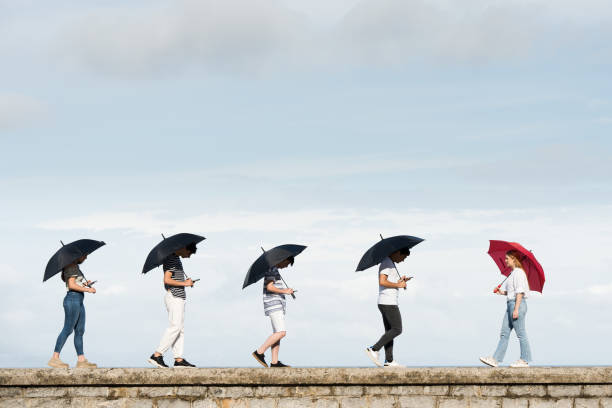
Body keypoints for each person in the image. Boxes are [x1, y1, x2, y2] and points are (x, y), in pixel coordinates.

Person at [148, 242, 197, 368]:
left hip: (178, 296)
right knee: (175, 327)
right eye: (189, 253)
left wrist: (186, 282)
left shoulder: (176, 259)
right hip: (174, 296)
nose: (189, 256)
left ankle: (178, 359)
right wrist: (185, 283)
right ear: (184, 248)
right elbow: (167, 280)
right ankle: (157, 355)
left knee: (180, 329)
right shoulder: (171, 259)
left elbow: (174, 279)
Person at [480, 250, 533, 368]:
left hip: (516, 304)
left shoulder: (519, 273)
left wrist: (516, 309)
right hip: (510, 304)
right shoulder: (513, 273)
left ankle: (525, 359)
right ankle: (495, 359)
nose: (505, 261)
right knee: (504, 333)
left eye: (507, 258)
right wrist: (501, 292)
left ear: (513, 259)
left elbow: (520, 292)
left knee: (521, 333)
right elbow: (511, 292)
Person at [48, 254, 97, 368]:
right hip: (72, 300)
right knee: (68, 329)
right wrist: (88, 290)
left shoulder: (75, 267)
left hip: (78, 300)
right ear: (77, 256)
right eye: (84, 256)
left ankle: (81, 361)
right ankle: (54, 358)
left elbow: (76, 284)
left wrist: (85, 284)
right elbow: (71, 285)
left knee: (80, 331)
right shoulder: (71, 266)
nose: (85, 258)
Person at [365, 247, 412, 368]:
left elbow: (388, 281)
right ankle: (374, 349)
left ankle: (389, 361)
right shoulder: (386, 262)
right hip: (388, 302)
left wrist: (401, 280)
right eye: (403, 257)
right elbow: (382, 281)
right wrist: (398, 284)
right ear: (397, 252)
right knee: (397, 329)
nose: (403, 260)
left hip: (386, 302)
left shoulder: (390, 263)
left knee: (390, 332)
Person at [251, 256, 295, 368]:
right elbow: (269, 287)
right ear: (283, 259)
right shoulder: (272, 269)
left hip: (276, 305)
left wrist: (285, 291)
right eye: (287, 263)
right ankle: (259, 352)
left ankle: (274, 362)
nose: (286, 266)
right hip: (274, 305)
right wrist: (285, 291)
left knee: (277, 334)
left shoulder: (274, 270)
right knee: (281, 332)